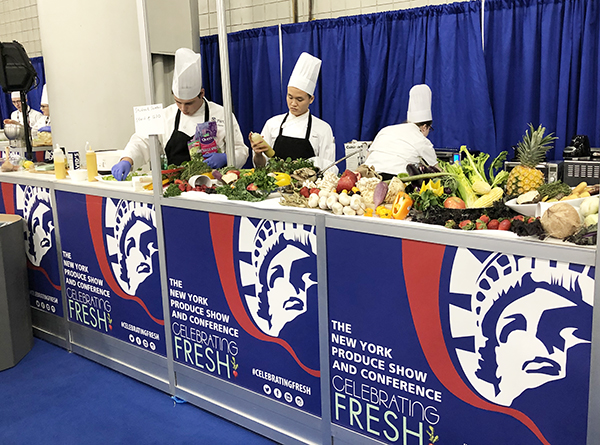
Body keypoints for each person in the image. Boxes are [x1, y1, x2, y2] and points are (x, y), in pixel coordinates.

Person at [111, 48, 248, 181]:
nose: (183, 108)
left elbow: (241, 150)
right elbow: (141, 141)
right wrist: (127, 160)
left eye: (189, 103)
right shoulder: (166, 115)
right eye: (178, 102)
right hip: (174, 187)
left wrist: (226, 157)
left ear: (201, 93)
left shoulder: (222, 114)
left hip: (213, 187)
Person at [249, 52, 336, 171]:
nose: (293, 103)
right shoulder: (272, 124)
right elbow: (261, 166)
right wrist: (258, 154)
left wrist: (316, 165)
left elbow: (329, 169)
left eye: (299, 99)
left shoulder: (323, 129)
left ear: (311, 99)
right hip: (275, 187)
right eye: (290, 97)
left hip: (308, 188)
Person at [366, 84, 437, 179]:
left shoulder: (386, 129)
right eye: (429, 129)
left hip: (368, 177)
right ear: (424, 127)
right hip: (395, 180)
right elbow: (437, 170)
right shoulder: (421, 140)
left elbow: (368, 155)